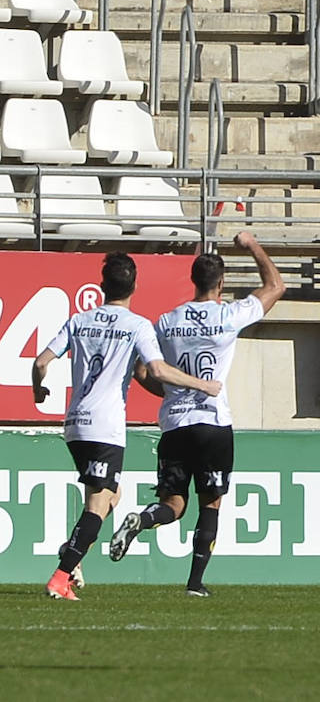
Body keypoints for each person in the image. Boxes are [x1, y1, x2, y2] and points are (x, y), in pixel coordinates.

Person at [30, 253, 223, 601]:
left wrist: (38, 388)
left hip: (74, 424)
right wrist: (201, 385)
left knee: (108, 498)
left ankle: (74, 550)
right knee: (98, 504)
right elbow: (159, 370)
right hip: (105, 427)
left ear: (103, 287)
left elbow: (41, 361)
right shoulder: (136, 325)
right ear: (135, 286)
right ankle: (62, 575)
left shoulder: (78, 320)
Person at [108, 232, 285, 597]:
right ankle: (194, 583)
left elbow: (144, 370)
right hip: (212, 421)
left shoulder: (167, 321)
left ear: (192, 280)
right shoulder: (229, 314)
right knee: (211, 502)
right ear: (220, 283)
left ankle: (142, 519)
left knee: (172, 503)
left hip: (175, 423)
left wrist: (171, 390)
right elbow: (275, 285)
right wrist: (252, 245)